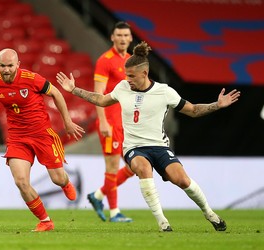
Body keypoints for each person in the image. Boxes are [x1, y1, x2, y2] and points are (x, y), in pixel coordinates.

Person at [56, 41, 240, 232]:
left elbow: (192, 110)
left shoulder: (164, 92)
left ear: (144, 74)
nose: (128, 79)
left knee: (183, 180)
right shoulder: (122, 87)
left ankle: (210, 214)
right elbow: (101, 100)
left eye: (132, 76)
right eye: (126, 75)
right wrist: (74, 90)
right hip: (134, 147)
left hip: (159, 146)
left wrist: (217, 105)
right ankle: (163, 222)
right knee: (143, 168)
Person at [0, 48, 85, 232]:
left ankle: (65, 183)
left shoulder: (32, 79)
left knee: (57, 178)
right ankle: (45, 221)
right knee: (21, 182)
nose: (6, 69)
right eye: (2, 66)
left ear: (18, 65)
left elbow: (56, 93)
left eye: (10, 65)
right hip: (17, 137)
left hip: (42, 134)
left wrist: (67, 121)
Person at [88, 21, 135, 222]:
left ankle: (97, 196)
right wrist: (103, 122)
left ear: (131, 38)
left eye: (126, 35)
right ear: (112, 37)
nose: (123, 39)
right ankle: (115, 212)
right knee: (112, 166)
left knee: (135, 166)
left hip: (127, 123)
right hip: (111, 121)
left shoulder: (133, 61)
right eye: (119, 35)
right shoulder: (105, 60)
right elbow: (98, 94)